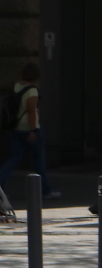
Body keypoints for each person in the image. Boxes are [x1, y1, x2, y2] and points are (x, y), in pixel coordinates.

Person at [0, 63, 59, 200]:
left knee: (13, 159)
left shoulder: (17, 87)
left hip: (16, 129)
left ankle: (0, 186)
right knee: (39, 161)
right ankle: (45, 190)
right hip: (29, 129)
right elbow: (31, 111)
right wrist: (33, 130)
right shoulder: (32, 91)